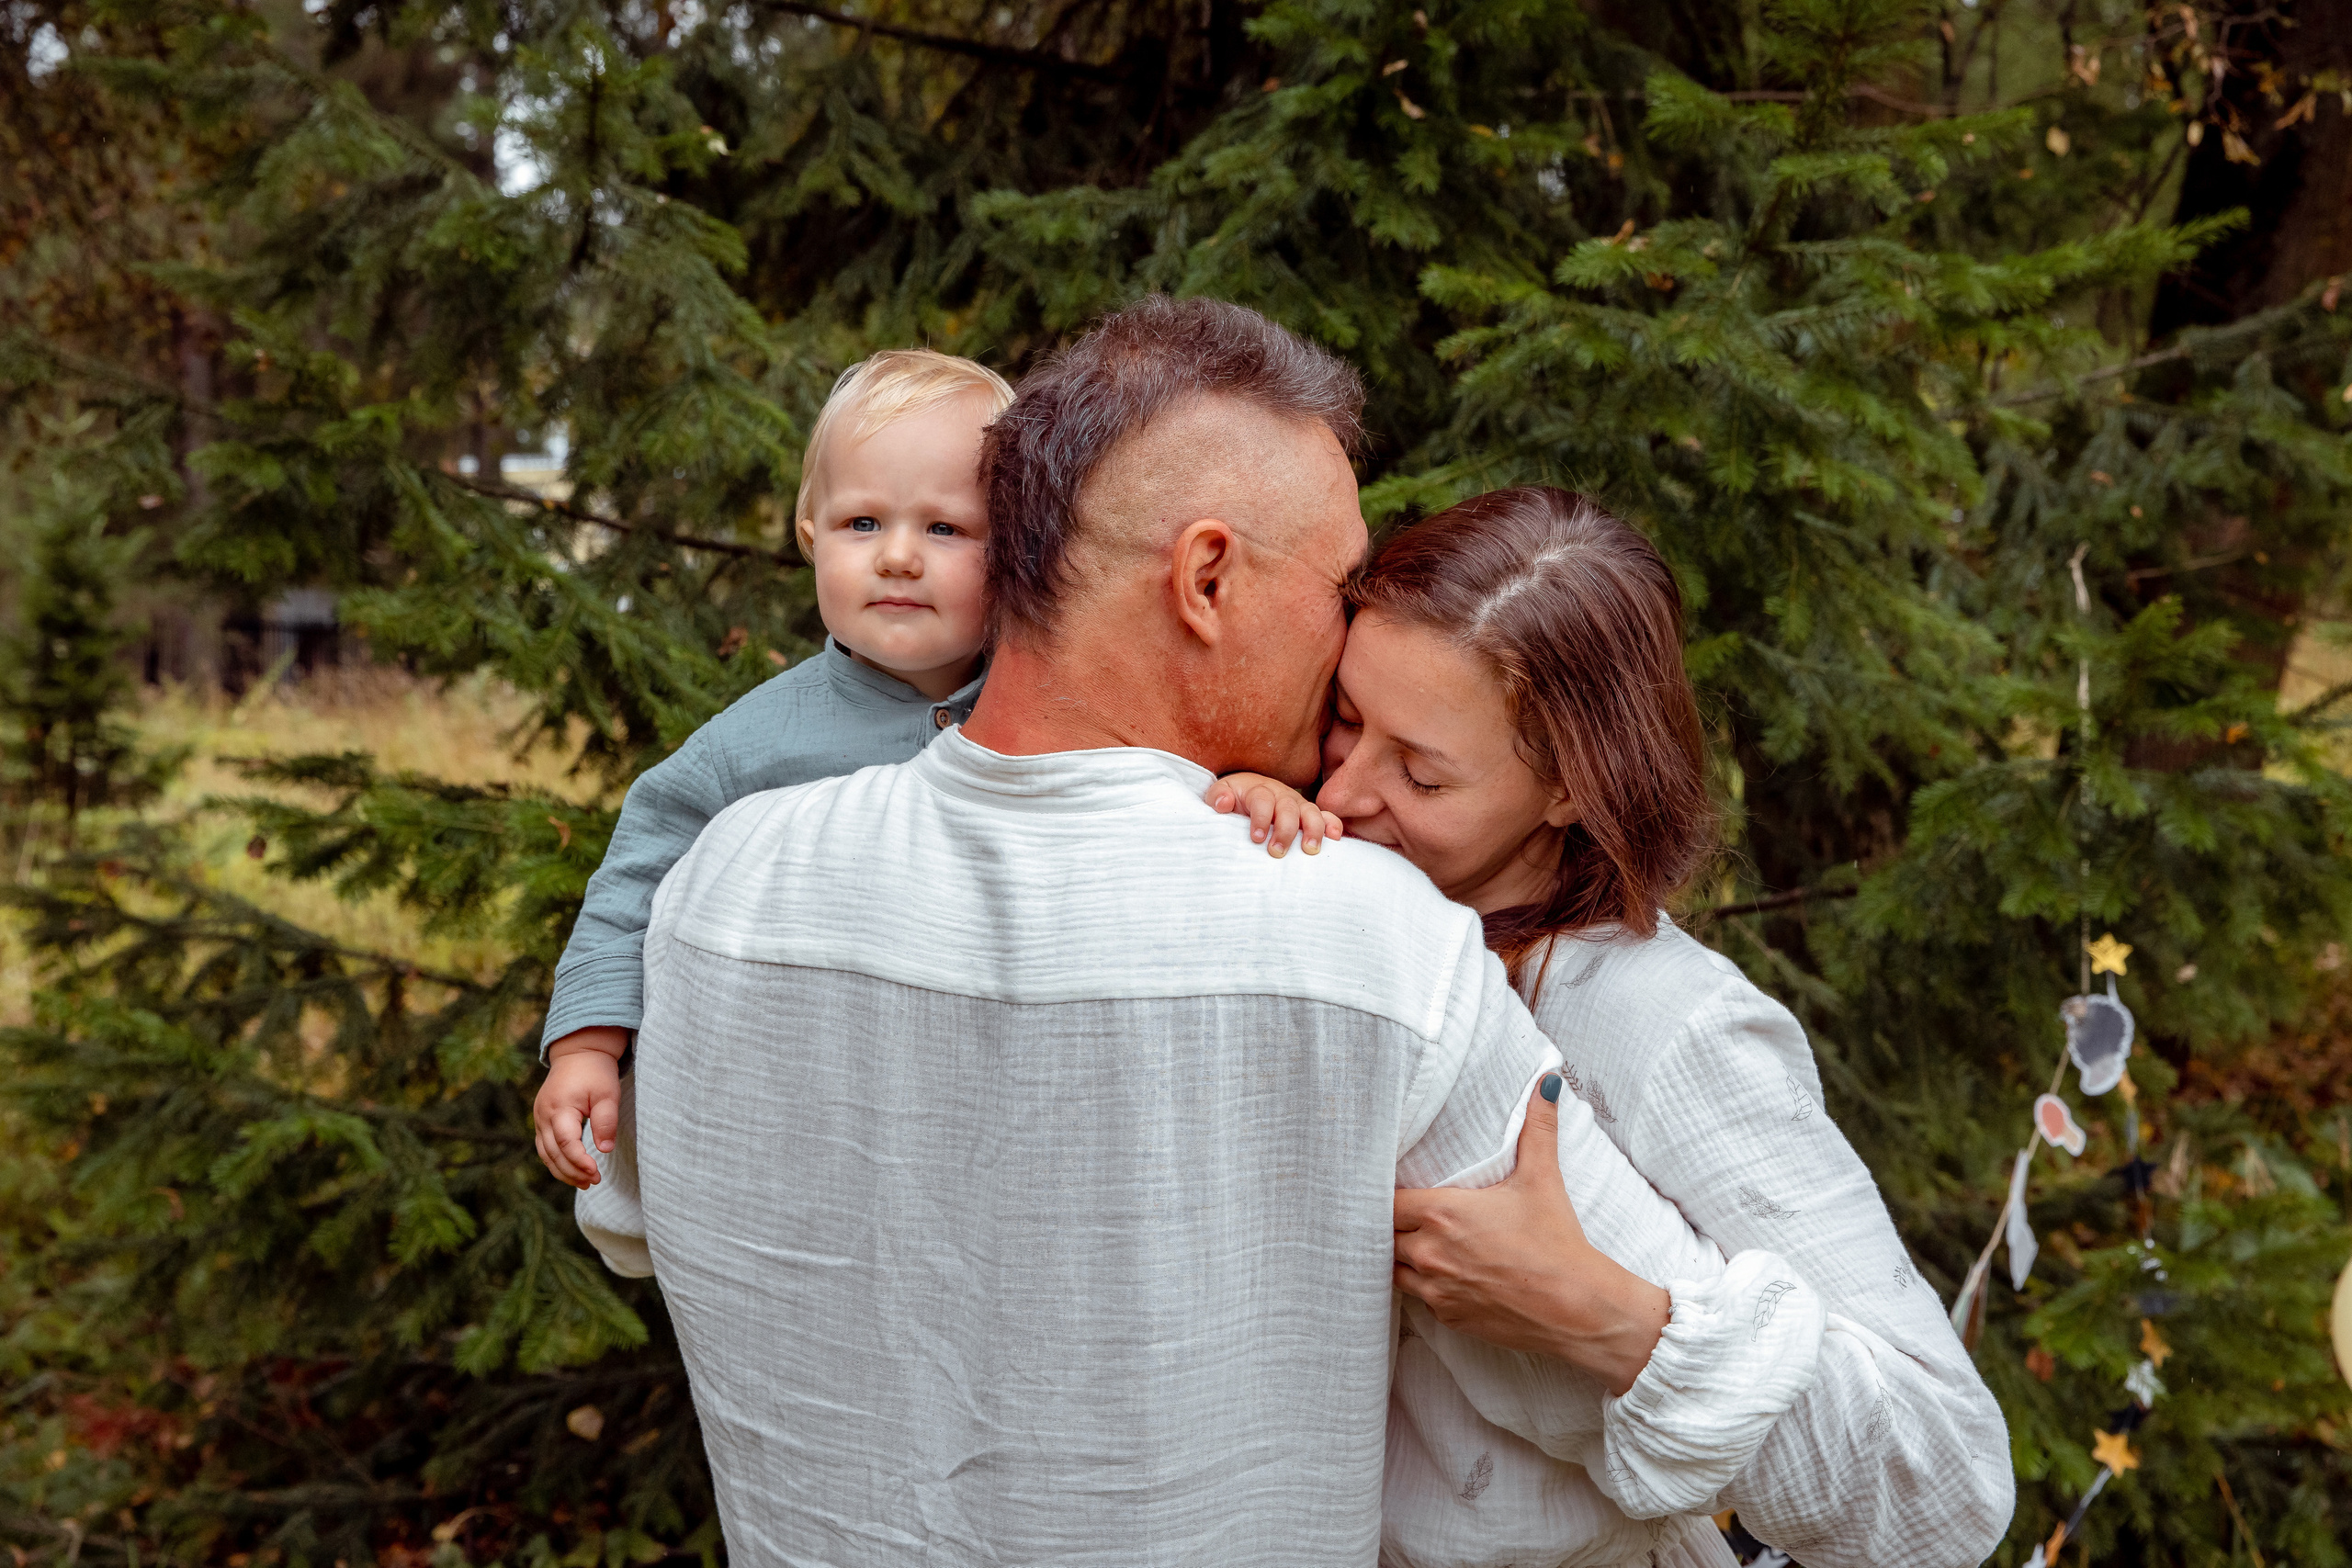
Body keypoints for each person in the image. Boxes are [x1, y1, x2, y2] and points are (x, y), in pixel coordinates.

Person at [570, 297, 1827, 1566]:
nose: (1352, 634)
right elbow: (1773, 1445)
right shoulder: (1364, 942)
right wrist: (1620, 1320)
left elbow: (627, 1215)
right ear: (1207, 577)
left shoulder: (722, 884)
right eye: (1341, 583)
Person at [1222, 486, 2016, 1567]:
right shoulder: (1325, 882)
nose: (1348, 788)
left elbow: (1949, 1488)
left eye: (1421, 771)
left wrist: (1604, 1316)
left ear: (1565, 790)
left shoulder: (1667, 1024)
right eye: (1345, 718)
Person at [532, 348, 1012, 1186]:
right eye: (863, 523)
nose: (898, 556)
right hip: (823, 1106)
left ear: (1015, 552)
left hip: (993, 1092)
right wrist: (586, 1046)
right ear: (810, 537)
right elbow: (632, 880)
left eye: (944, 527)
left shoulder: (1052, 710)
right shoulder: (750, 744)